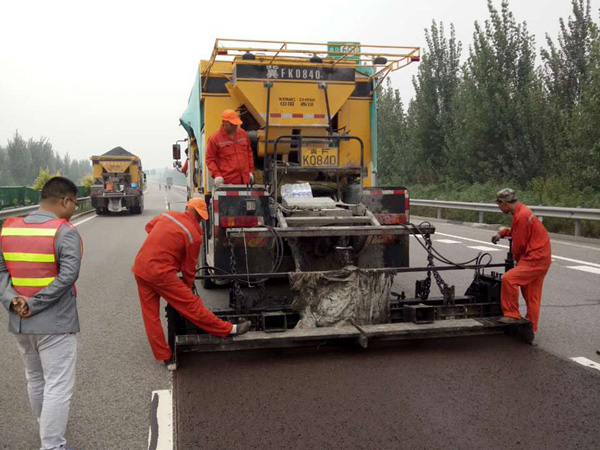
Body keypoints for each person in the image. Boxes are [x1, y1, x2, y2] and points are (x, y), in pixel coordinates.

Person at [0, 176, 83, 450]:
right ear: (65, 200)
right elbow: (69, 275)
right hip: (55, 324)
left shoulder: (9, 228)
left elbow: (2, 273)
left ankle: (46, 428)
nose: (74, 210)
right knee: (58, 385)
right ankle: (52, 445)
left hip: (21, 324)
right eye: (74, 204)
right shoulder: (65, 231)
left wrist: (14, 301)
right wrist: (33, 303)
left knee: (35, 379)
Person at [132, 198, 250, 367]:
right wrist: (187, 287)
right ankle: (229, 330)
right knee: (192, 306)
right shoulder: (193, 235)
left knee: (150, 317)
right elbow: (188, 269)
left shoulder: (168, 215)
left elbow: (149, 227)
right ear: (200, 217)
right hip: (161, 273)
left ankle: (166, 357)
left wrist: (166, 244)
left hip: (140, 268)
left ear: (188, 208)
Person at [492, 188, 552, 341]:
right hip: (541, 258)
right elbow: (518, 231)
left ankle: (512, 314)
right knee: (532, 296)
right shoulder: (522, 212)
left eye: (499, 204)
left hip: (534, 258)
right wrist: (503, 233)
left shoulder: (522, 215)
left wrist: (518, 262)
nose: (499, 208)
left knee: (509, 278)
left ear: (504, 202)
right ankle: (529, 329)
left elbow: (519, 244)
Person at [206, 109, 254, 189]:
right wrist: (217, 175)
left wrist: (250, 171)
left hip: (244, 181)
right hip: (227, 182)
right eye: (232, 124)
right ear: (224, 122)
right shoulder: (215, 139)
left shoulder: (243, 134)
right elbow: (210, 159)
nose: (235, 126)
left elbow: (249, 153)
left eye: (236, 124)